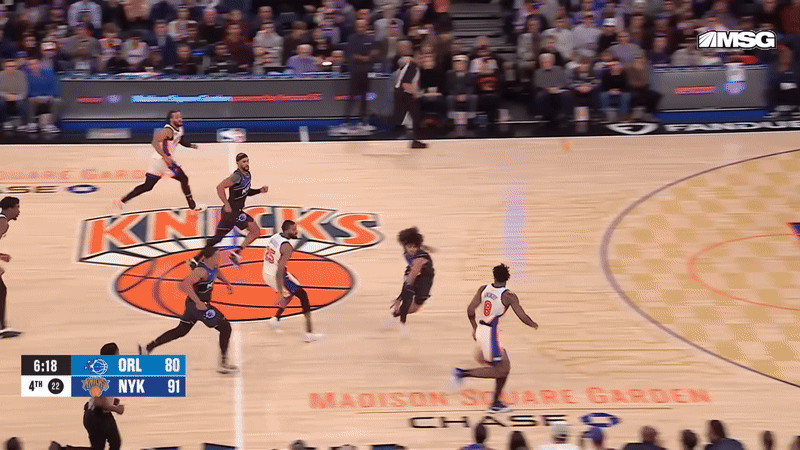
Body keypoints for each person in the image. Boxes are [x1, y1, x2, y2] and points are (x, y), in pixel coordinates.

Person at [452, 264, 538, 413]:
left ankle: (496, 403)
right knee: (500, 371)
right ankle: (462, 373)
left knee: (505, 367)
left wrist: (474, 328)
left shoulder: (483, 289)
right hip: (491, 335)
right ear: (507, 278)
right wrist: (534, 324)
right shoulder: (508, 296)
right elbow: (522, 316)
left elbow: (470, 310)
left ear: (494, 276)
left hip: (482, 330)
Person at [140, 247, 238, 374]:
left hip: (193, 306)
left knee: (180, 331)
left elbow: (216, 272)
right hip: (198, 307)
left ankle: (148, 348)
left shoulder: (212, 267)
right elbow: (185, 284)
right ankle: (223, 364)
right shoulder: (200, 271)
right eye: (217, 256)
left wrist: (227, 282)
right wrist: (198, 302)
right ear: (209, 257)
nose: (219, 259)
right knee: (225, 327)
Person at [115, 110, 201, 214]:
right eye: (177, 117)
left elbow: (180, 140)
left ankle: (122, 201)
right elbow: (155, 142)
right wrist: (165, 156)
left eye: (180, 117)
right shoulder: (168, 131)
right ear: (171, 120)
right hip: (163, 161)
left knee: (148, 186)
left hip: (157, 161)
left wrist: (190, 145)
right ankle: (193, 207)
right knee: (184, 178)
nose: (180, 119)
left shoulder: (180, 129)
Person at [190, 152, 267, 268]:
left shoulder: (247, 175)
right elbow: (219, 187)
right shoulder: (236, 177)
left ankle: (196, 259)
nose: (246, 163)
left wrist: (259, 190)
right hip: (233, 213)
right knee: (255, 231)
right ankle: (235, 253)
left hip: (232, 214)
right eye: (243, 162)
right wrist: (226, 203)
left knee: (218, 238)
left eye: (247, 161)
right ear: (238, 163)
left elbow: (246, 191)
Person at [262, 220, 323, 342]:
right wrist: (280, 292)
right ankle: (309, 333)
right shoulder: (287, 247)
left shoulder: (275, 237)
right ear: (286, 231)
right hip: (276, 275)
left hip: (266, 271)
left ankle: (275, 319)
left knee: (294, 285)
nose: (296, 232)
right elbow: (280, 270)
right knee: (303, 295)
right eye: (293, 230)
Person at [387, 227, 435, 335]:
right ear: (404, 245)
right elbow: (410, 278)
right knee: (407, 294)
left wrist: (399, 298)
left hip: (425, 278)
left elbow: (413, 274)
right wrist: (401, 296)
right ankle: (401, 324)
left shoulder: (420, 258)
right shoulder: (409, 250)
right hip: (413, 271)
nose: (412, 249)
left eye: (415, 247)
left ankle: (396, 314)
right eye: (409, 247)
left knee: (414, 307)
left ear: (418, 246)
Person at [83, 342, 125, 450]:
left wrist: (112, 401)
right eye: (117, 355)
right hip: (96, 416)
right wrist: (116, 409)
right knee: (100, 447)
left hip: (103, 415)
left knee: (115, 443)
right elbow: (98, 402)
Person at [393, 40, 427, 149]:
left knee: (415, 116)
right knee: (414, 116)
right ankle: (415, 140)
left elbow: (411, 83)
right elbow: (405, 84)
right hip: (403, 93)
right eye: (421, 57)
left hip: (404, 93)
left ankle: (416, 140)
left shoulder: (413, 66)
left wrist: (416, 92)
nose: (422, 59)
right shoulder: (413, 66)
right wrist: (415, 93)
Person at [0, 196, 20, 338]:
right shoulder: (2, 222)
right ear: (10, 209)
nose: (19, 211)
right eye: (17, 207)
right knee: (1, 290)